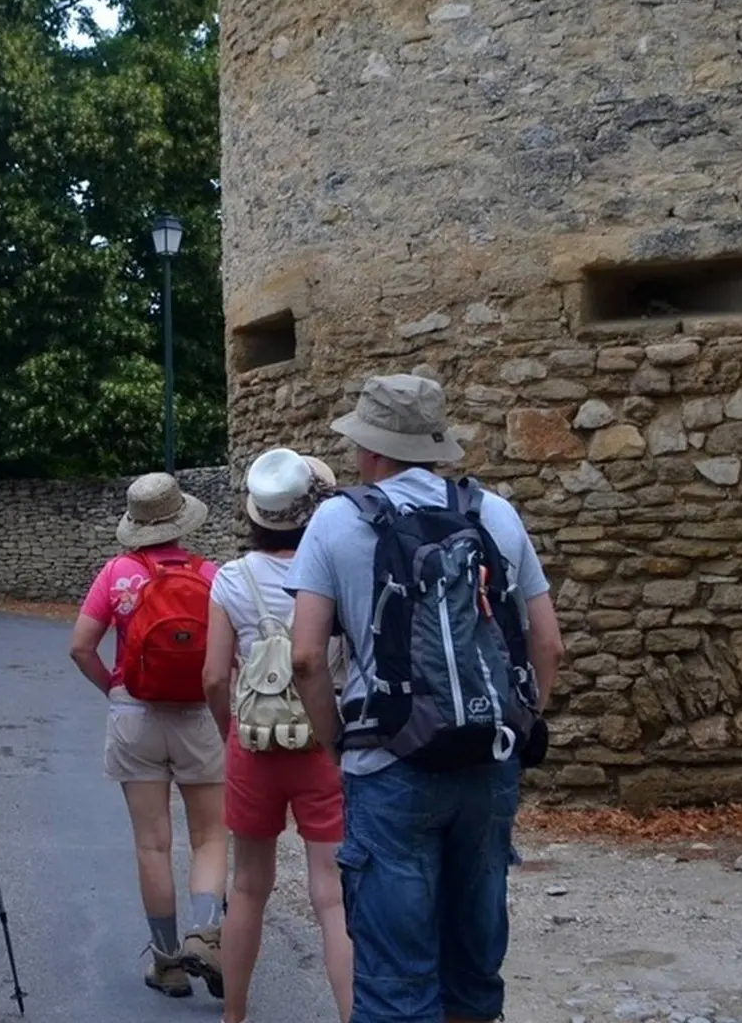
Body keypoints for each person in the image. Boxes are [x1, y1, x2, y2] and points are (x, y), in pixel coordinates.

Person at [286, 374, 564, 1023]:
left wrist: (337, 745)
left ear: (370, 450)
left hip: (388, 762)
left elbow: (305, 658)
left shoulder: (337, 520)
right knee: (473, 971)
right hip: (488, 760)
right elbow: (548, 644)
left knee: (395, 983)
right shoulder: (495, 513)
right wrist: (521, 725)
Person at [201, 448, 351, 1023]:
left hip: (254, 745)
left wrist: (231, 731)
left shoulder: (230, 580)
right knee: (332, 895)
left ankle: (234, 1015)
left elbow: (215, 677)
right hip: (323, 742)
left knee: (248, 887)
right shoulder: (332, 571)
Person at [67, 471, 227, 999]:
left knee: (153, 844)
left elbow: (81, 647)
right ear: (182, 518)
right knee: (209, 837)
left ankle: (167, 963)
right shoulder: (211, 575)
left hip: (133, 714)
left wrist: (114, 688)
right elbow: (231, 655)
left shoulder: (117, 573)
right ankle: (205, 934)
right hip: (199, 715)